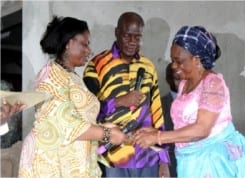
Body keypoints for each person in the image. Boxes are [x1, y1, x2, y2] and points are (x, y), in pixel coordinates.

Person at [134, 25, 245, 178]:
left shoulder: (213, 83)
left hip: (211, 163)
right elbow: (182, 123)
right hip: (189, 160)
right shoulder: (185, 83)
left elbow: (202, 129)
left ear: (196, 60)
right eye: (172, 60)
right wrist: (155, 132)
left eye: (179, 61)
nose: (174, 66)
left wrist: (158, 137)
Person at [18, 16, 127, 178]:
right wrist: (106, 134)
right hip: (51, 164)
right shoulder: (51, 76)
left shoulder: (72, 76)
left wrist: (104, 127)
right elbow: (66, 124)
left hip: (72, 161)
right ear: (69, 43)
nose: (89, 51)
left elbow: (80, 117)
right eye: (85, 44)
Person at [83, 11, 169, 177]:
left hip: (146, 154)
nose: (132, 42)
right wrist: (117, 102)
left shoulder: (148, 66)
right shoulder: (97, 65)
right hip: (112, 155)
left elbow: (157, 112)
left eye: (137, 37)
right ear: (117, 32)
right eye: (127, 36)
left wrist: (163, 159)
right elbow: (87, 110)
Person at [161, 63, 180, 177]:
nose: (182, 82)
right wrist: (163, 163)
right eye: (177, 78)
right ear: (169, 80)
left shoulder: (198, 102)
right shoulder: (160, 104)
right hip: (170, 162)